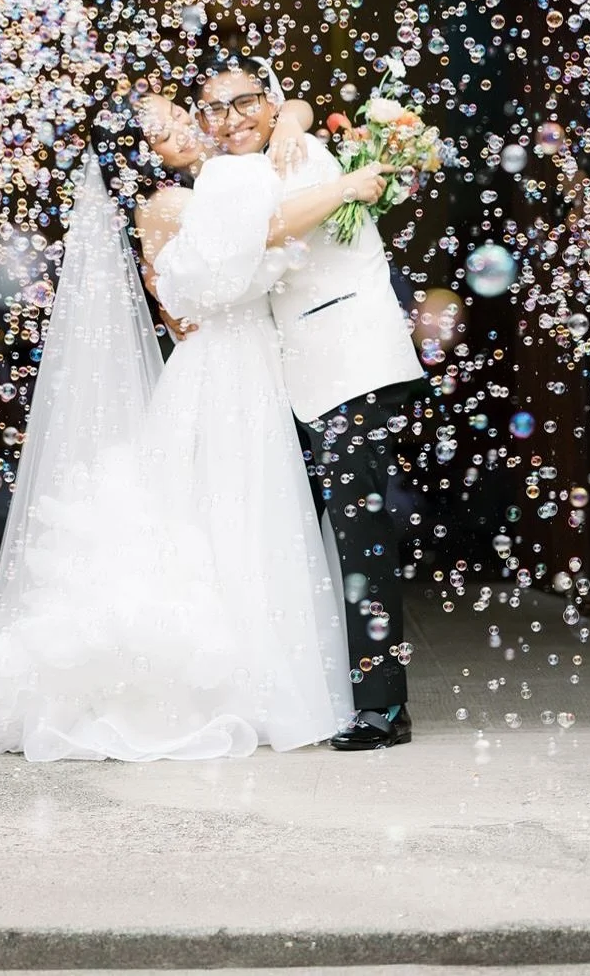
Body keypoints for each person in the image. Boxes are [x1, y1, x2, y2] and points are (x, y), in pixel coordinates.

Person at [0, 133, 388, 759]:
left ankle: (263, 666)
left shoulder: (212, 188)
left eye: (183, 117)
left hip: (246, 369)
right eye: (164, 128)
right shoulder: (175, 204)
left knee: (233, 521)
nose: (189, 129)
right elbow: (236, 259)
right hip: (225, 374)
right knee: (221, 516)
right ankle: (241, 677)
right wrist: (341, 190)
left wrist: (295, 126)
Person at [197, 57, 427, 749]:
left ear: (270, 103)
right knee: (295, 532)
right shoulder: (253, 160)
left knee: (360, 536)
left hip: (350, 362)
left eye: (245, 102)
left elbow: (270, 226)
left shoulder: (299, 153)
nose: (231, 119)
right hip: (300, 376)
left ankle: (383, 707)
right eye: (216, 109)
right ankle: (320, 689)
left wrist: (338, 170)